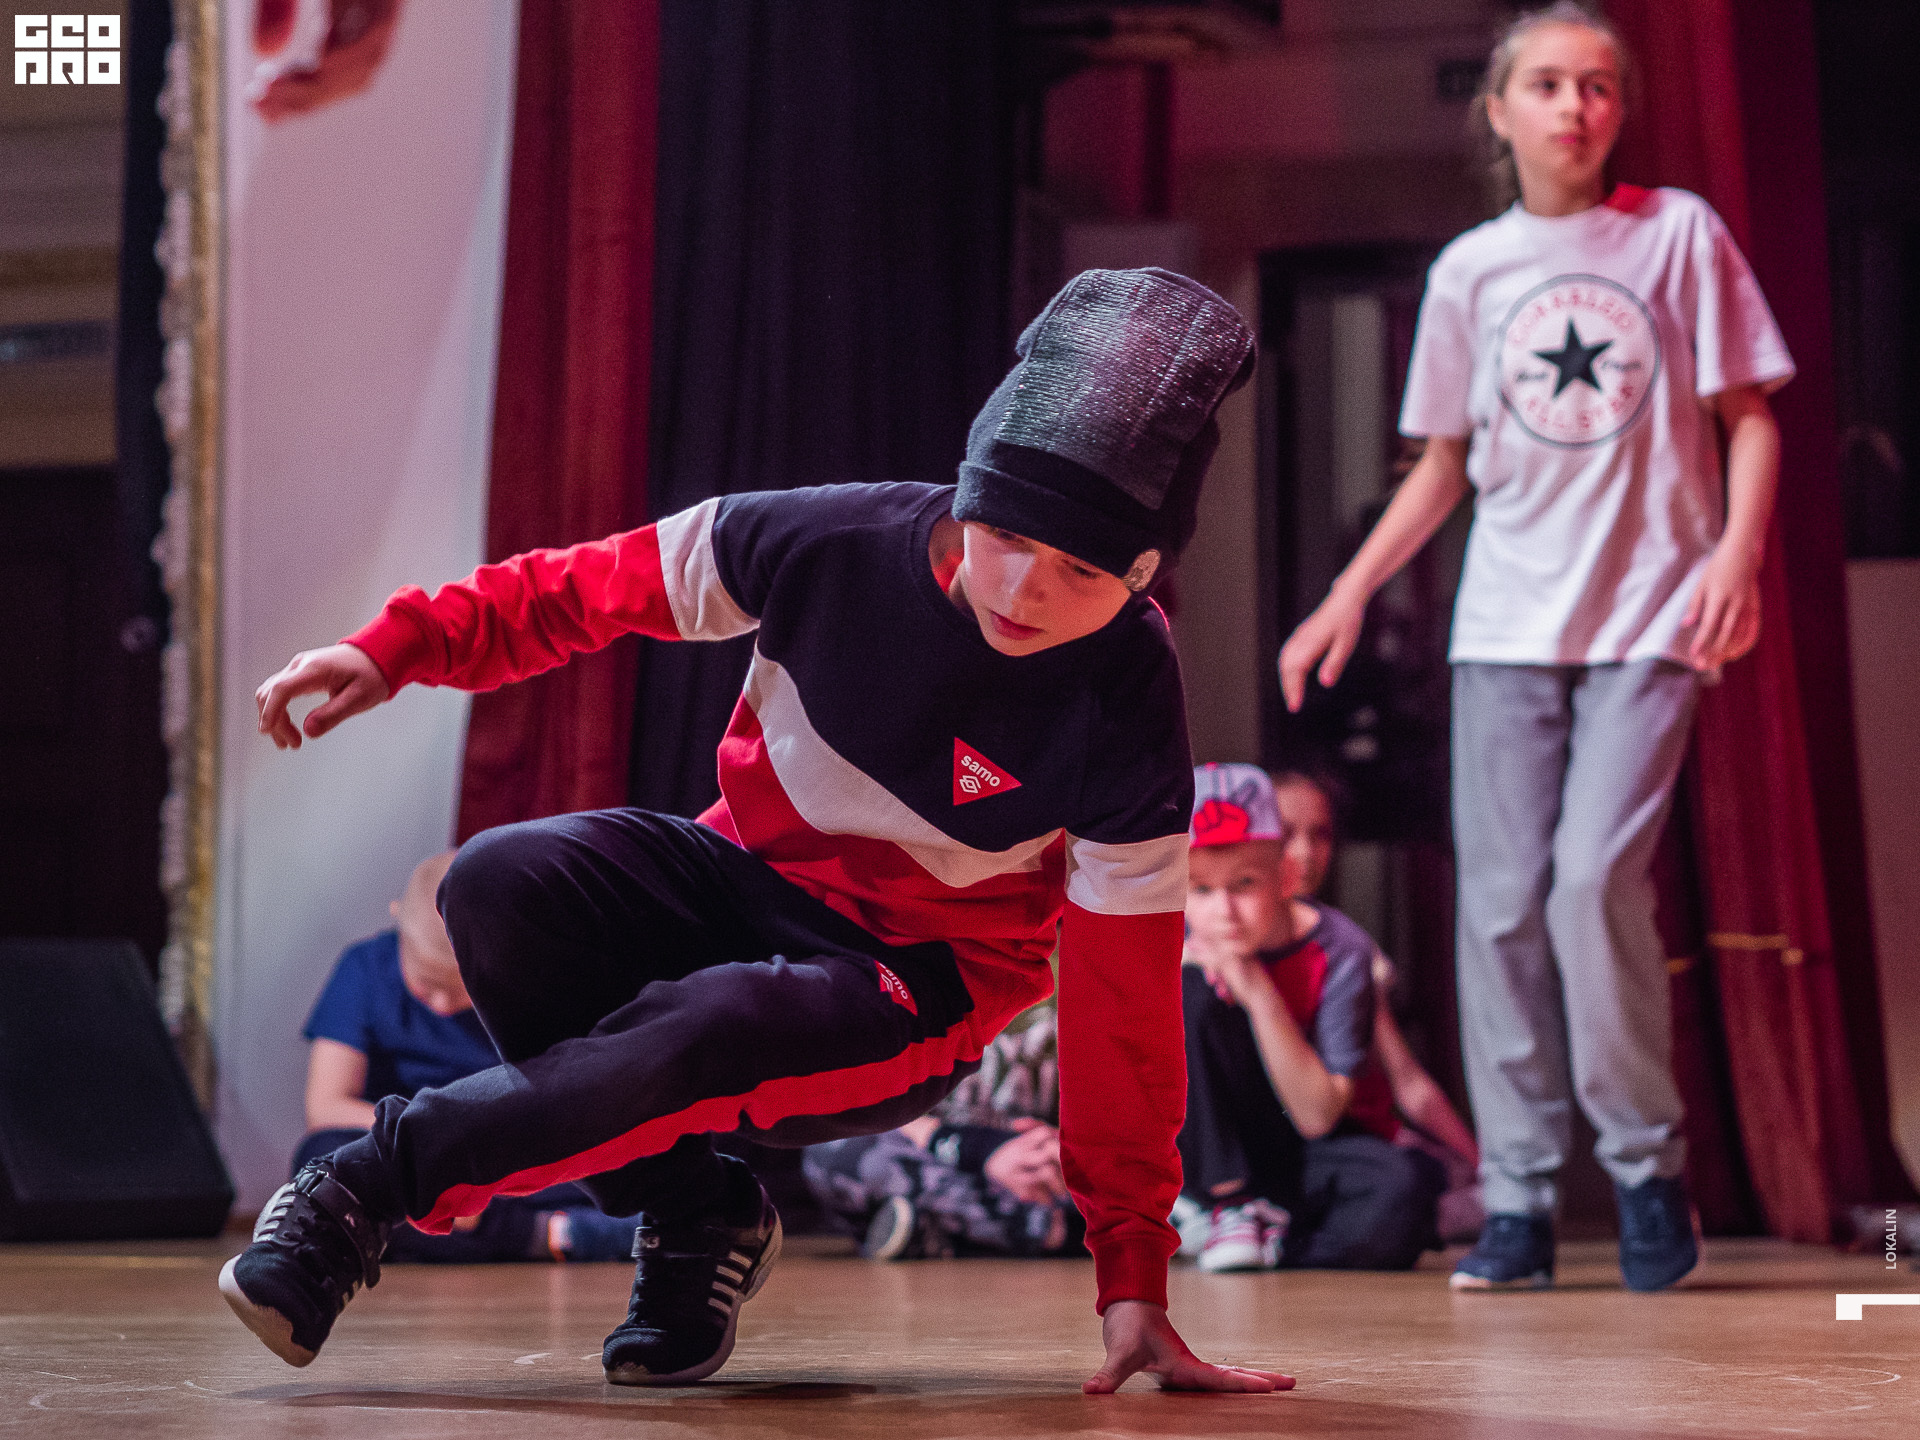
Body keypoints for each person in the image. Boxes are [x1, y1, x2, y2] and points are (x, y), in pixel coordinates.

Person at [221, 268, 1291, 1395]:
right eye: (1005, 536)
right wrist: (399, 648)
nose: (1025, 591)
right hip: (741, 875)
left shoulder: (1129, 703)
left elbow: (1125, 1012)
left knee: (715, 1020)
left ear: (1141, 576)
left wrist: (1133, 1275)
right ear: (968, 498)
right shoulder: (829, 539)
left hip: (912, 980)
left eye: (1080, 571)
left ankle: (357, 1197)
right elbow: (588, 587)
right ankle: (698, 1215)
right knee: (496, 882)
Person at [1278, 2, 1793, 1292]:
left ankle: (1646, 1172)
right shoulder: (1472, 271)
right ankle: (1515, 1197)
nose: (1577, 106)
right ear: (1499, 111)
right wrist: (1347, 593)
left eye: (1599, 85)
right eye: (1550, 84)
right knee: (1501, 905)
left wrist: (1735, 556)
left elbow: (1750, 417)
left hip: (1649, 618)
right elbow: (1442, 463)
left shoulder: (1677, 234)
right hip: (1505, 626)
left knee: (1589, 885)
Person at [297, 850, 639, 1263]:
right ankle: (553, 1234)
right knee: (321, 1161)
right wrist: (435, 1143)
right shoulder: (364, 968)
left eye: (462, 987)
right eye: (427, 984)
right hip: (416, 1158)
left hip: (506, 1159)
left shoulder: (532, 976)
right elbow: (326, 1107)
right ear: (397, 919)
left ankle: (550, 1230)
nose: (442, 1004)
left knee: (643, 1156)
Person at [1175, 764, 1446, 1273]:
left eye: (1244, 884)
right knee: (1190, 992)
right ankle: (1225, 1204)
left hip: (1303, 1140)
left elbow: (1318, 1117)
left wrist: (1256, 989)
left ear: (1285, 877)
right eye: (1201, 890)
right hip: (1208, 1149)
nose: (1224, 911)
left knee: (1400, 1193)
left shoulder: (1341, 950)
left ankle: (1272, 1235)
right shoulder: (1177, 946)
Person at [1268, 769, 1484, 1241]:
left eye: (1320, 835)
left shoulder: (1347, 949)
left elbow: (1407, 1080)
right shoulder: (1215, 939)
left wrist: (1484, 1167)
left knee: (1435, 1191)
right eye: (1285, 835)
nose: (1305, 853)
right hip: (1265, 1143)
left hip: (1353, 1141)